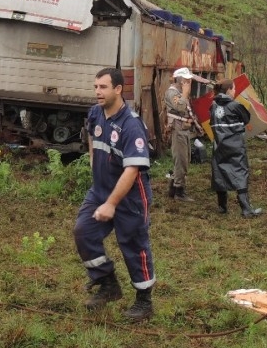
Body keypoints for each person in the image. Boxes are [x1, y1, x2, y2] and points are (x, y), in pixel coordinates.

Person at [74, 68, 156, 321]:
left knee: (132, 244)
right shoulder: (95, 113)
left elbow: (132, 169)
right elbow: (91, 135)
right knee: (83, 232)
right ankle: (108, 284)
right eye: (96, 86)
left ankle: (144, 301)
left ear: (118, 89)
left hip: (130, 197)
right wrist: (93, 163)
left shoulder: (131, 125)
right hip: (100, 191)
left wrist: (112, 203)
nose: (98, 91)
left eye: (104, 87)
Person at [210, 79, 261, 217]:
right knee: (240, 173)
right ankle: (246, 209)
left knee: (219, 172)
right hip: (235, 145)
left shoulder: (213, 106)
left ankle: (222, 207)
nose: (234, 91)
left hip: (219, 145)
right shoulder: (235, 105)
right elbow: (246, 118)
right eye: (233, 89)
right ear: (228, 90)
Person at [164, 67, 197, 202]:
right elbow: (181, 107)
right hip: (177, 130)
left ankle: (173, 188)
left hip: (183, 129)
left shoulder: (178, 92)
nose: (189, 82)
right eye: (187, 80)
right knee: (180, 160)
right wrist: (185, 93)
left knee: (185, 158)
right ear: (181, 80)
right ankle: (179, 191)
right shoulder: (173, 93)